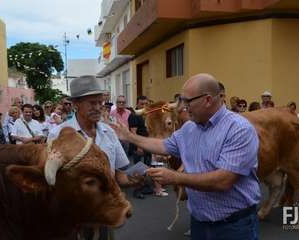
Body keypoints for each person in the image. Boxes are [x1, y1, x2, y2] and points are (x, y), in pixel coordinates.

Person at [111, 73, 260, 240]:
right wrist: (129, 137)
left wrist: (175, 177)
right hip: (199, 223)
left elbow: (223, 180)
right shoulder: (190, 128)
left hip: (234, 227)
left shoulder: (238, 129)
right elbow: (163, 145)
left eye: (187, 101)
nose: (182, 107)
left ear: (208, 100)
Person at [48, 75, 142, 240]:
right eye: (92, 103)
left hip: (104, 213)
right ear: (76, 104)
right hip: (73, 218)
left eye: (100, 102)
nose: (98, 107)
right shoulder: (58, 134)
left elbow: (118, 174)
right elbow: (52, 183)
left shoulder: (109, 133)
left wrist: (137, 178)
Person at [128, 95, 152, 199]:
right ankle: (137, 190)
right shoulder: (134, 115)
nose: (144, 105)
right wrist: (139, 147)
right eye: (142, 104)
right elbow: (133, 133)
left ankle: (146, 187)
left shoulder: (147, 114)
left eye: (146, 103)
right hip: (138, 146)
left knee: (147, 167)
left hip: (147, 145)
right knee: (138, 169)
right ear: (137, 104)